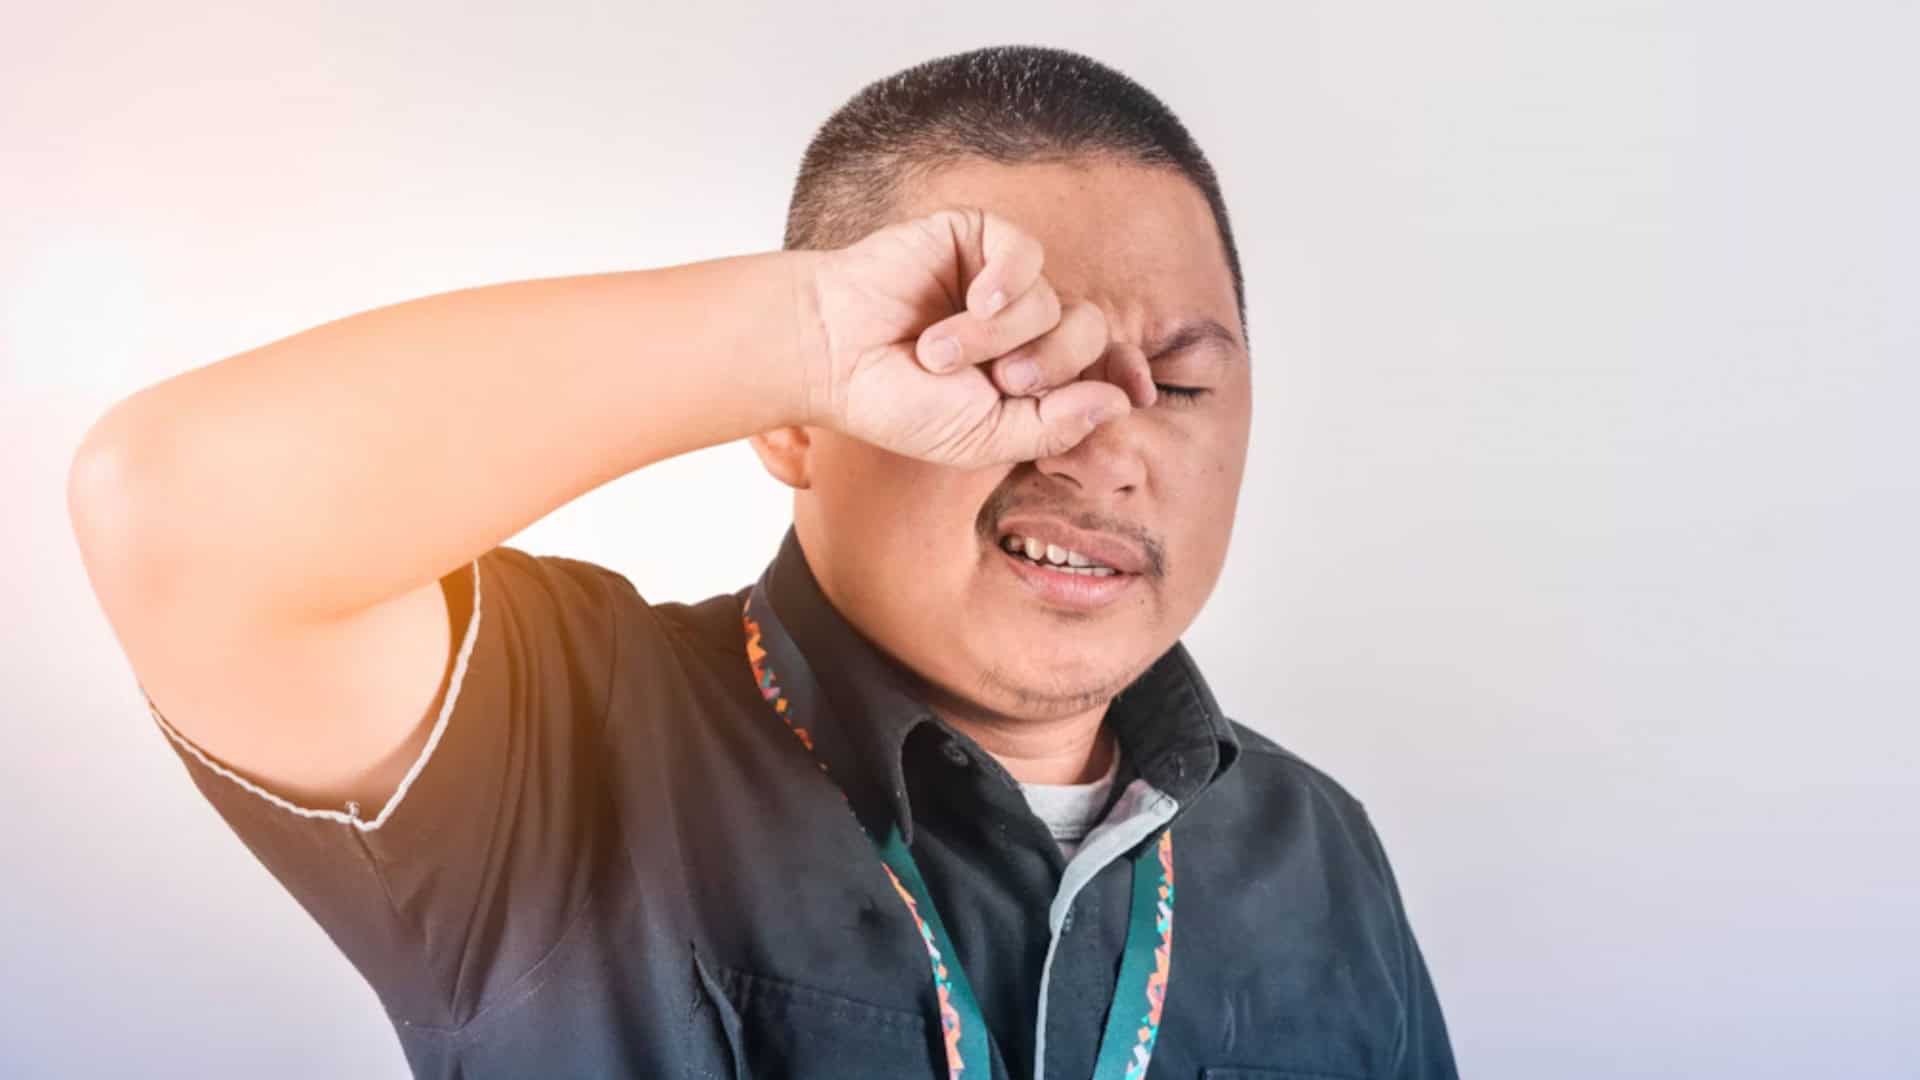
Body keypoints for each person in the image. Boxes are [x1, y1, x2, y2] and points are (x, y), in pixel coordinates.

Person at [68, 44, 1457, 1079]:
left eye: (1182, 385)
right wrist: (802, 334)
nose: (1101, 445)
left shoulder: (1313, 848)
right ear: (799, 421)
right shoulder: (559, 740)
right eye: (1007, 364)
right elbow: (173, 509)